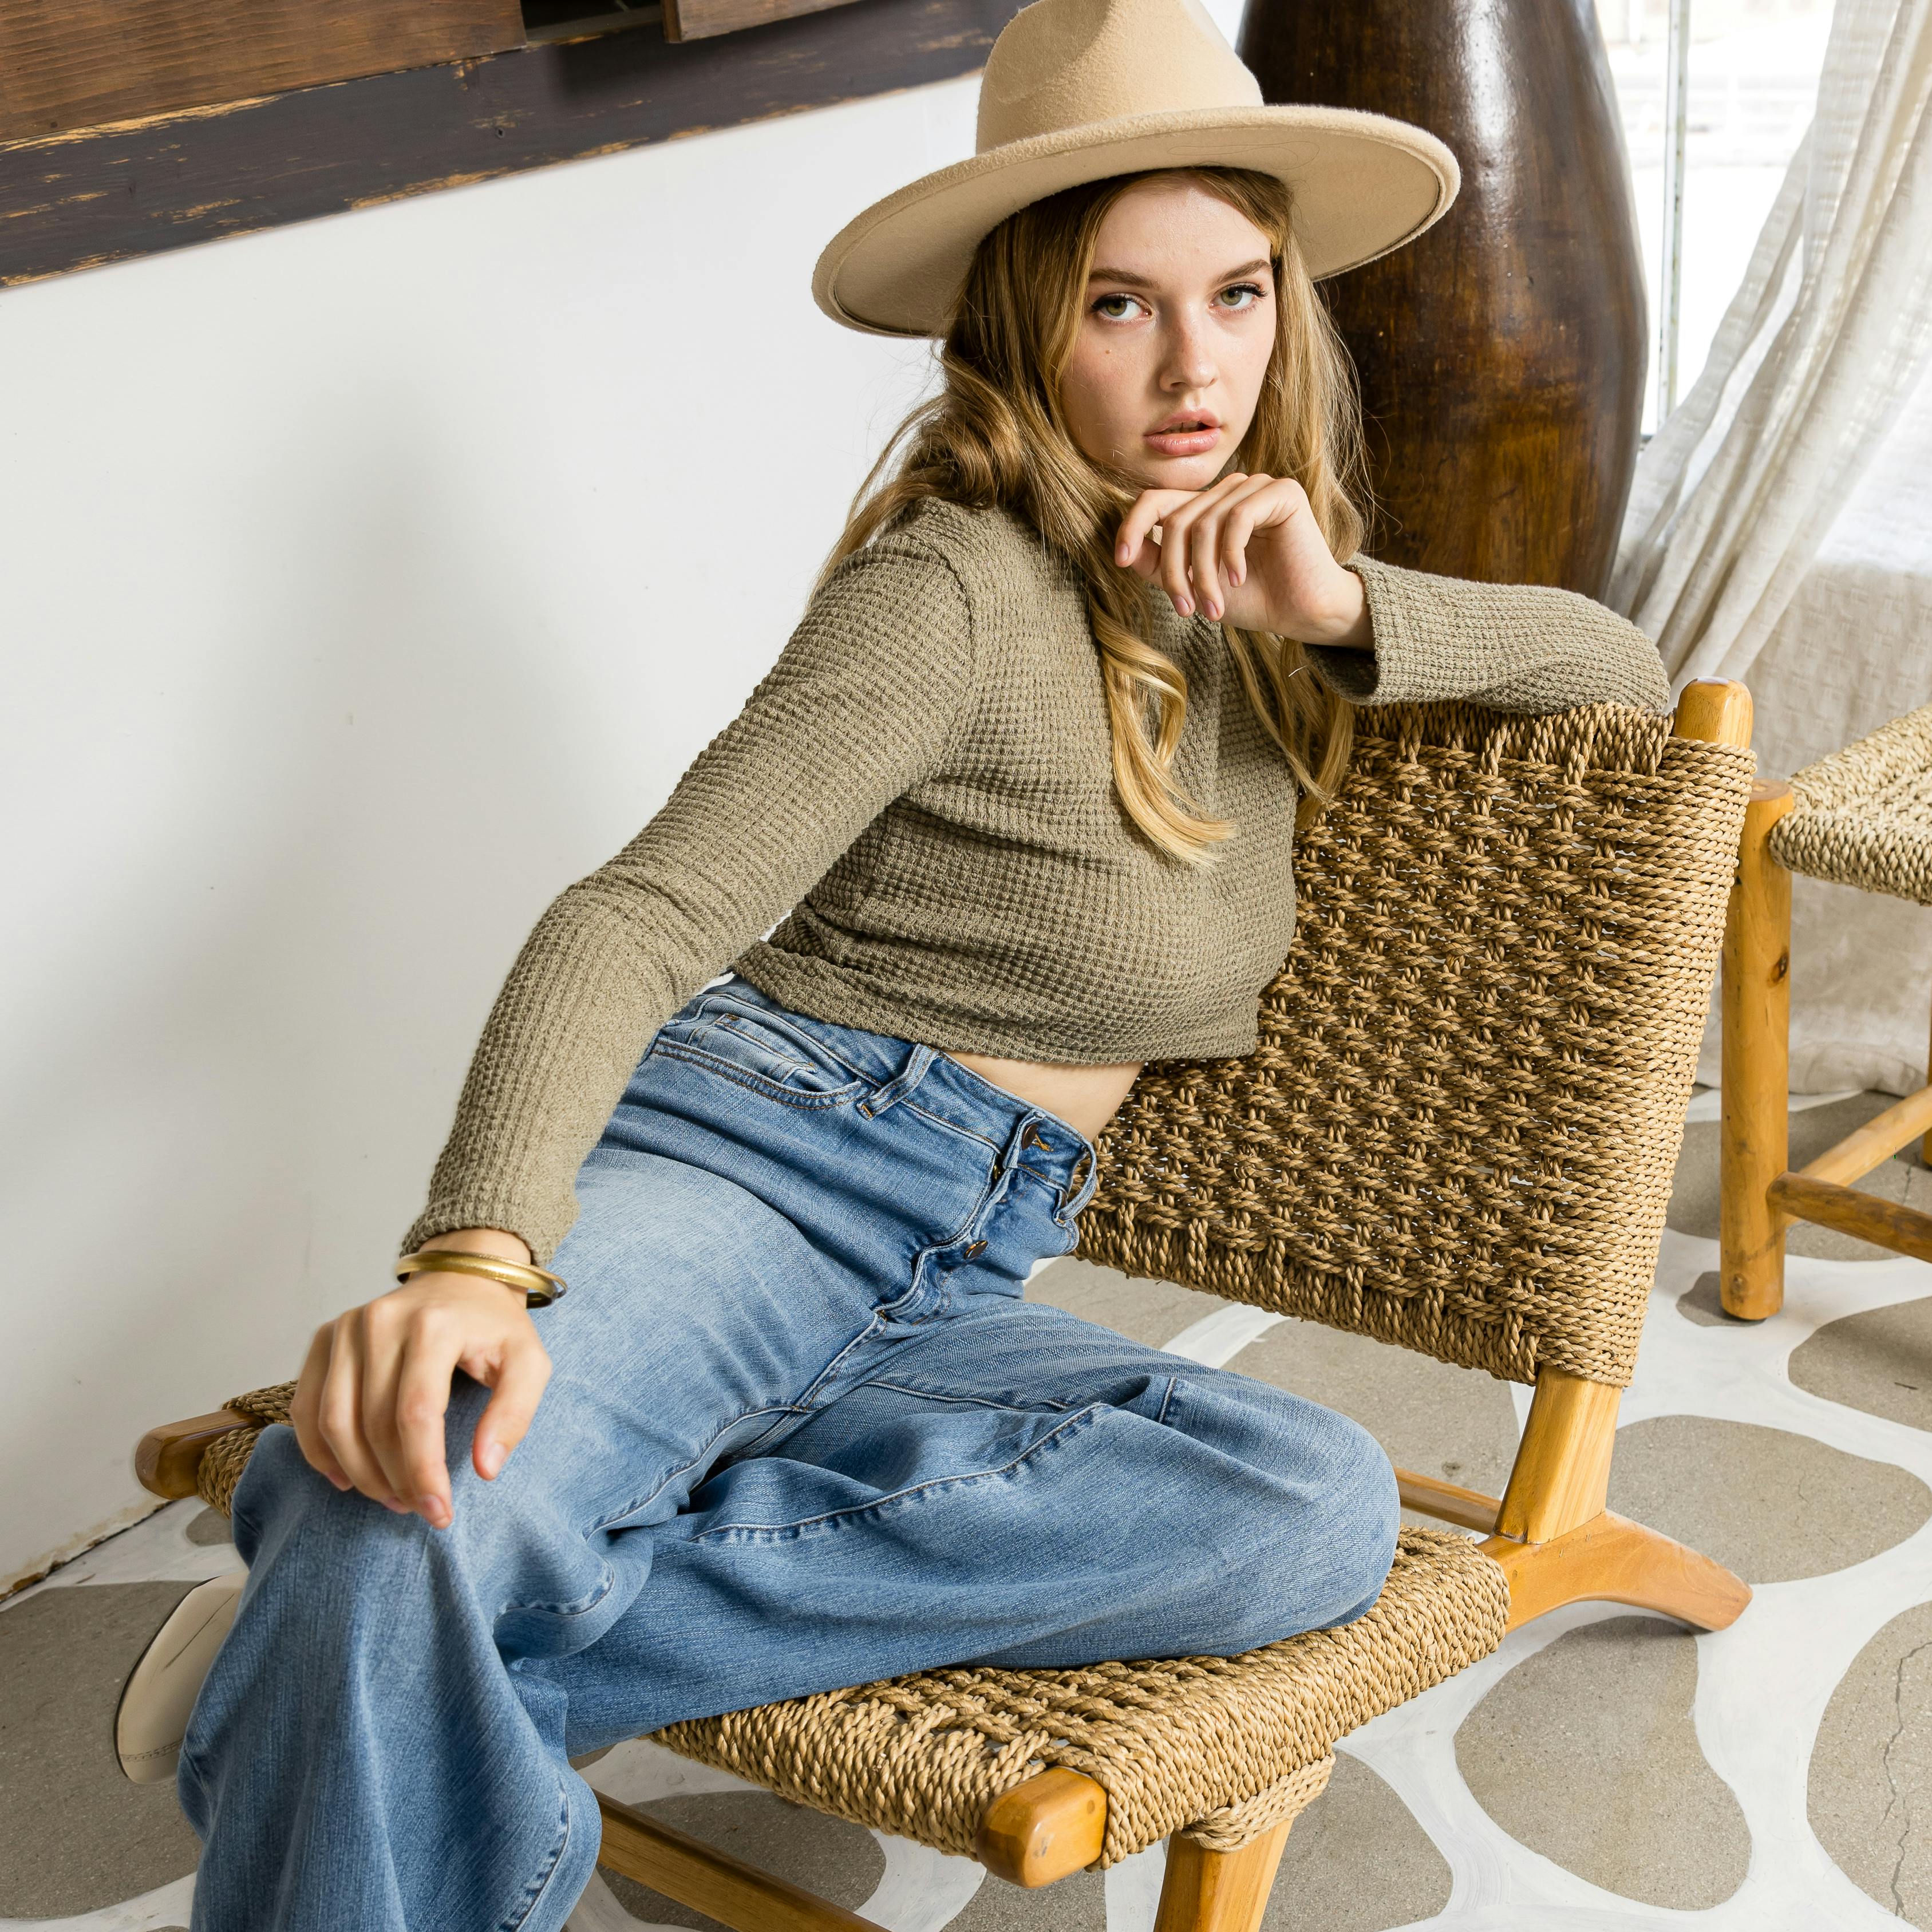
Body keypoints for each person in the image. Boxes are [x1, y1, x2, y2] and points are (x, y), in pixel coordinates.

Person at [121, 0, 1671, 1922]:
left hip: (955, 1254)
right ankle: (368, 1619)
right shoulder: (952, 589)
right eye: (1120, 306)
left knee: (1312, 1511)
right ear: (1024, 323)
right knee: (415, 1504)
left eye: (1240, 295)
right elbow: (639, 913)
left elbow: (1627, 683)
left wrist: (1343, 602)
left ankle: (355, 1671)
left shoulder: (1272, 580)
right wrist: (473, 1260)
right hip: (767, 1167)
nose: (1196, 367)